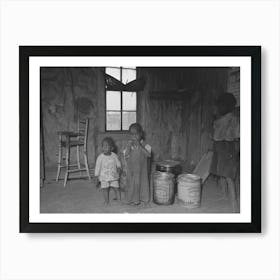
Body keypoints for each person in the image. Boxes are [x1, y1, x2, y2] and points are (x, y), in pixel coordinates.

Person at [210, 93, 240, 212]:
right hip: (230, 147)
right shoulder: (235, 118)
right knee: (224, 173)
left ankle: (234, 204)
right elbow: (238, 134)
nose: (217, 108)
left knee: (226, 175)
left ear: (224, 106)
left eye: (219, 106)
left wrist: (214, 124)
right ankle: (226, 197)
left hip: (223, 147)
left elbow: (216, 136)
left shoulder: (221, 120)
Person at [123, 123, 151, 206]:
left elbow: (148, 155)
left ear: (141, 134)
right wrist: (128, 147)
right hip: (132, 170)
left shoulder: (145, 145)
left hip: (141, 170)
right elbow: (126, 155)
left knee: (141, 184)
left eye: (136, 134)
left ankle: (142, 198)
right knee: (131, 184)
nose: (134, 137)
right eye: (132, 134)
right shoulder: (130, 145)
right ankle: (131, 199)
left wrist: (140, 146)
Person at [94, 137, 121, 205]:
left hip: (113, 176)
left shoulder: (114, 156)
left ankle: (119, 199)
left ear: (112, 148)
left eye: (106, 146)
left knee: (116, 188)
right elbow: (97, 166)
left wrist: (119, 170)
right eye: (103, 146)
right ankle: (106, 201)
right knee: (105, 189)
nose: (104, 147)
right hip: (104, 177)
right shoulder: (100, 157)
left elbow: (118, 164)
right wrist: (96, 175)